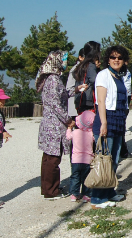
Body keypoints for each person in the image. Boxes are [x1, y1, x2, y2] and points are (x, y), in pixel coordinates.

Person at [37, 50, 80, 199]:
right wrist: (68, 120)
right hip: (54, 126)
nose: (65, 63)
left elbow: (60, 95)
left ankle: (48, 187)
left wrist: (76, 90)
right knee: (53, 159)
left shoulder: (51, 78)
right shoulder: (54, 80)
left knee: (48, 158)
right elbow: (56, 104)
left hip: (50, 124)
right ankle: (51, 191)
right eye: (64, 60)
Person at [91, 45, 130, 208]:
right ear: (108, 59)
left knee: (114, 160)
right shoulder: (103, 75)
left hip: (118, 121)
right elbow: (101, 100)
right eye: (113, 57)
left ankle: (109, 192)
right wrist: (104, 122)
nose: (116, 60)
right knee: (103, 161)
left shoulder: (119, 76)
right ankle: (97, 198)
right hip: (106, 120)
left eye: (119, 58)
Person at [65, 110, 94, 203]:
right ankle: (86, 195)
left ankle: (74, 194)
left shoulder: (75, 132)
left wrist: (69, 128)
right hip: (87, 160)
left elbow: (68, 137)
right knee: (86, 177)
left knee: (75, 177)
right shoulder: (91, 134)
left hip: (76, 160)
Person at [74, 41, 102, 113]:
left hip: (80, 99)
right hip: (89, 99)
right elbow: (95, 80)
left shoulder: (82, 65)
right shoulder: (91, 65)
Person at [66, 48, 85, 120]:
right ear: (80, 57)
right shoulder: (75, 70)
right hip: (75, 108)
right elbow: (68, 89)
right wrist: (79, 89)